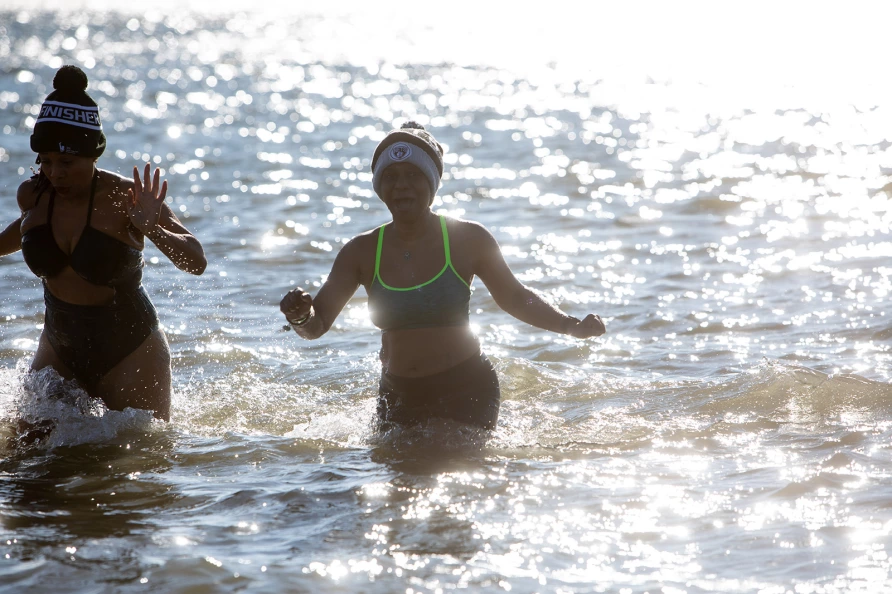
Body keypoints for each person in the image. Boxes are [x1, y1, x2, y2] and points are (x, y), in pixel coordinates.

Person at [280, 121, 606, 431]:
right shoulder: (360, 252)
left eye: (413, 175)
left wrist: (570, 325)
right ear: (379, 186)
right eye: (391, 176)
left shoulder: (468, 239)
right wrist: (300, 316)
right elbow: (317, 326)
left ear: (432, 183)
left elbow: (516, 297)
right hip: (397, 394)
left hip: (466, 386)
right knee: (396, 481)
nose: (402, 185)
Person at [0, 65, 206, 421]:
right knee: (25, 460)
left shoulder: (126, 196)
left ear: (92, 155)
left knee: (134, 457)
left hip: (131, 350)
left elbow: (196, 262)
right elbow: (12, 238)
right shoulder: (34, 196)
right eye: (45, 161)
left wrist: (152, 229)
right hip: (59, 347)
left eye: (66, 161)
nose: (55, 172)